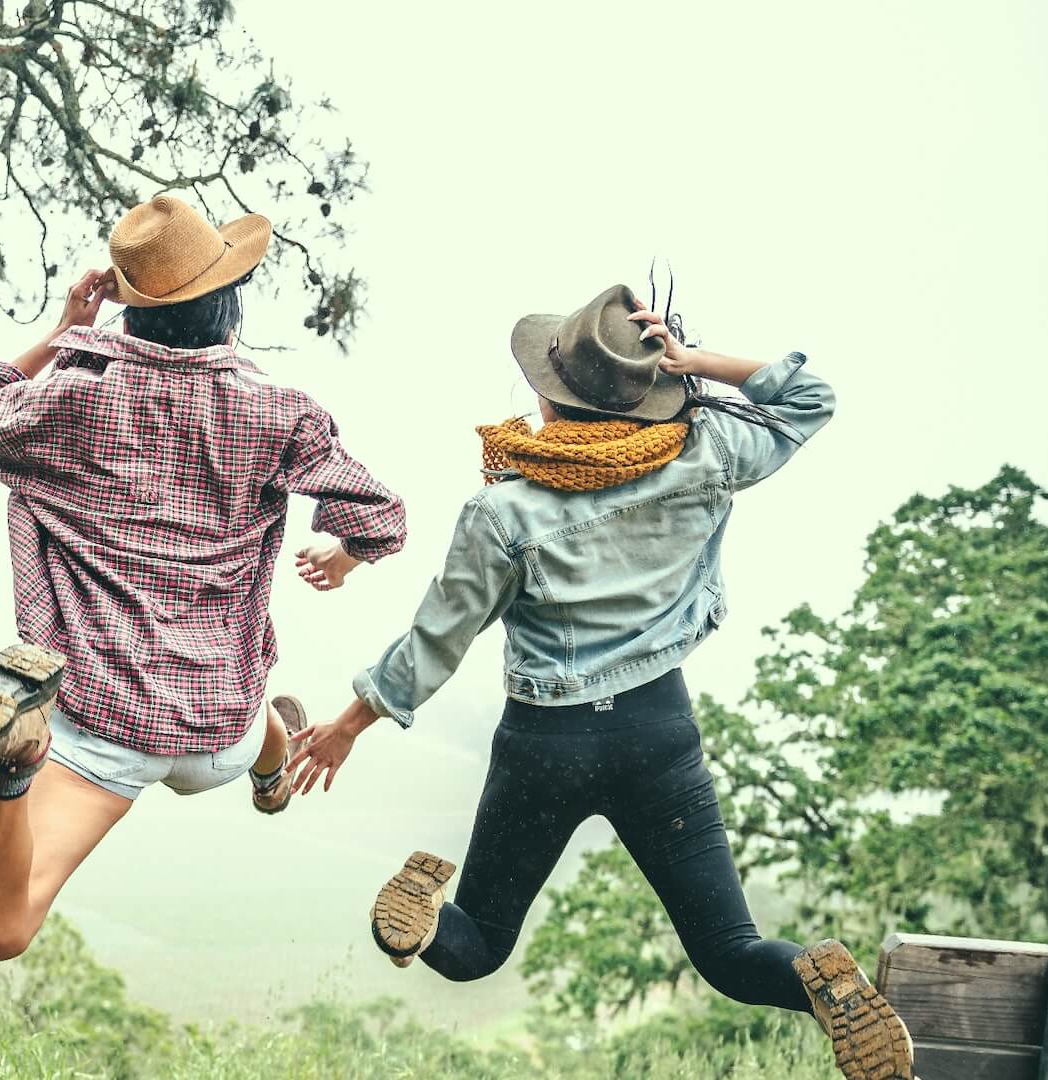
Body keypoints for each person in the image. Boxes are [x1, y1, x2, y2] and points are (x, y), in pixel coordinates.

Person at [284, 284, 915, 1080]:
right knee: (729, 951)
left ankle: (415, 922)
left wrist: (347, 725)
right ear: (650, 396)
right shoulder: (710, 453)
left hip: (546, 745)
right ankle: (818, 986)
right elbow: (810, 396)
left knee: (476, 943)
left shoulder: (504, 511)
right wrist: (700, 362)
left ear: (551, 403)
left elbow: (435, 642)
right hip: (659, 736)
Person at [0, 195, 408, 963]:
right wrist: (344, 560)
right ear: (228, 307)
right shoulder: (279, 411)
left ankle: (12, 771)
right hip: (221, 719)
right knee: (258, 722)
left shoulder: (73, 394)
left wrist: (64, 335)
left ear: (130, 309)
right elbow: (381, 516)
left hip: (100, 724)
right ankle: (270, 773)